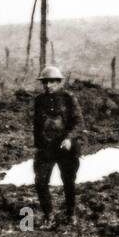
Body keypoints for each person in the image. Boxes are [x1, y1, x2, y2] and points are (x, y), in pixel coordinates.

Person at [32, 66, 82, 227]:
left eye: (52, 82)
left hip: (66, 148)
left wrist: (69, 139)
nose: (48, 85)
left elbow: (78, 122)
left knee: (68, 181)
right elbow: (37, 125)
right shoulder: (39, 100)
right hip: (46, 148)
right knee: (40, 182)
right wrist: (38, 145)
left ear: (59, 82)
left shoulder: (69, 98)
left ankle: (71, 213)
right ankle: (48, 216)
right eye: (45, 82)